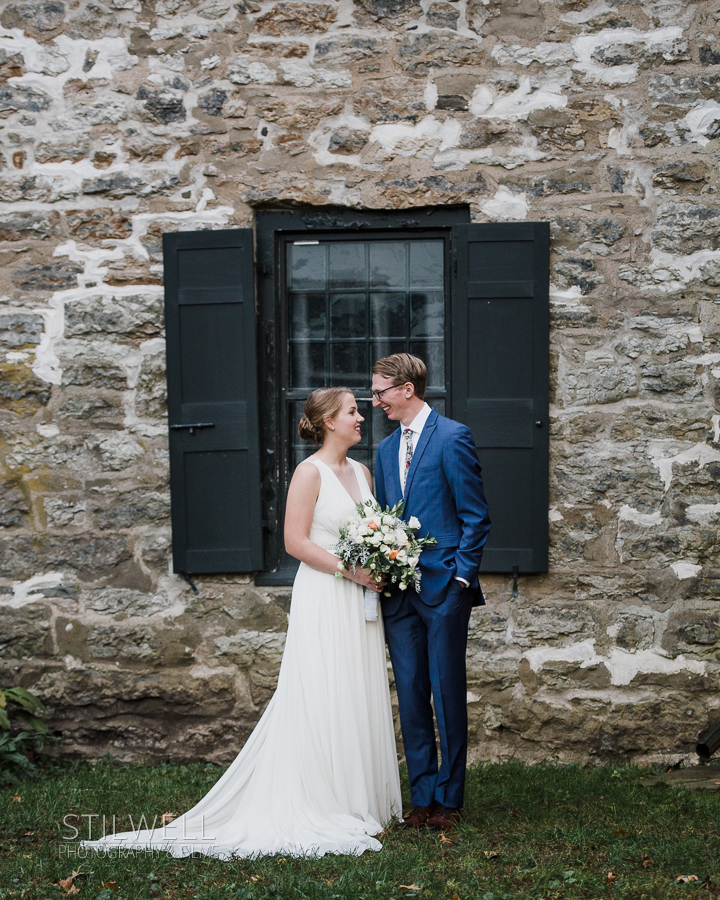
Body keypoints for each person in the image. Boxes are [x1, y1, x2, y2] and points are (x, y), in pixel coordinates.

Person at [83, 387, 402, 859]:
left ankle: (361, 799)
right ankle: (321, 800)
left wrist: (383, 562)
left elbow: (370, 532)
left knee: (355, 686)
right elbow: (295, 542)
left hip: (360, 601)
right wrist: (352, 570)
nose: (362, 417)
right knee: (321, 689)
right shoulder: (308, 473)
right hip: (327, 594)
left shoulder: (362, 471)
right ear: (330, 421)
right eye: (353, 411)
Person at [372, 353, 491, 831]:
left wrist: (462, 577)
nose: (375, 400)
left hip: (444, 588)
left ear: (406, 389)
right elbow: (382, 517)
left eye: (380, 391)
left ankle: (450, 797)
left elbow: (475, 515)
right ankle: (421, 798)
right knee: (412, 695)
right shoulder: (383, 451)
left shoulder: (452, 436)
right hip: (398, 594)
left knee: (446, 693)